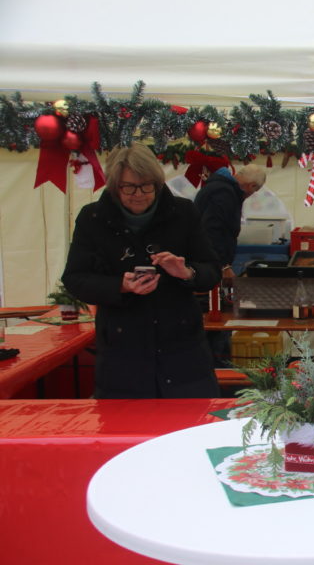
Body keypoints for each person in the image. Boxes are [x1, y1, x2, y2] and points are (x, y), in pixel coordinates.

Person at [62, 143, 221, 399]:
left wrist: (187, 272)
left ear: (157, 183)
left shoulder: (183, 213)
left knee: (189, 420)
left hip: (183, 352)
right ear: (114, 186)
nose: (139, 194)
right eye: (128, 187)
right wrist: (120, 286)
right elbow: (75, 278)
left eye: (146, 186)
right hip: (122, 352)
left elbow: (212, 270)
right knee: (125, 422)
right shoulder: (93, 219)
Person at [194, 163, 266, 363]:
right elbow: (212, 231)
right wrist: (224, 266)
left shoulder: (219, 188)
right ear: (251, 186)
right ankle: (218, 367)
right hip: (209, 269)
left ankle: (216, 363)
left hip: (207, 265)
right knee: (216, 321)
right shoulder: (225, 194)